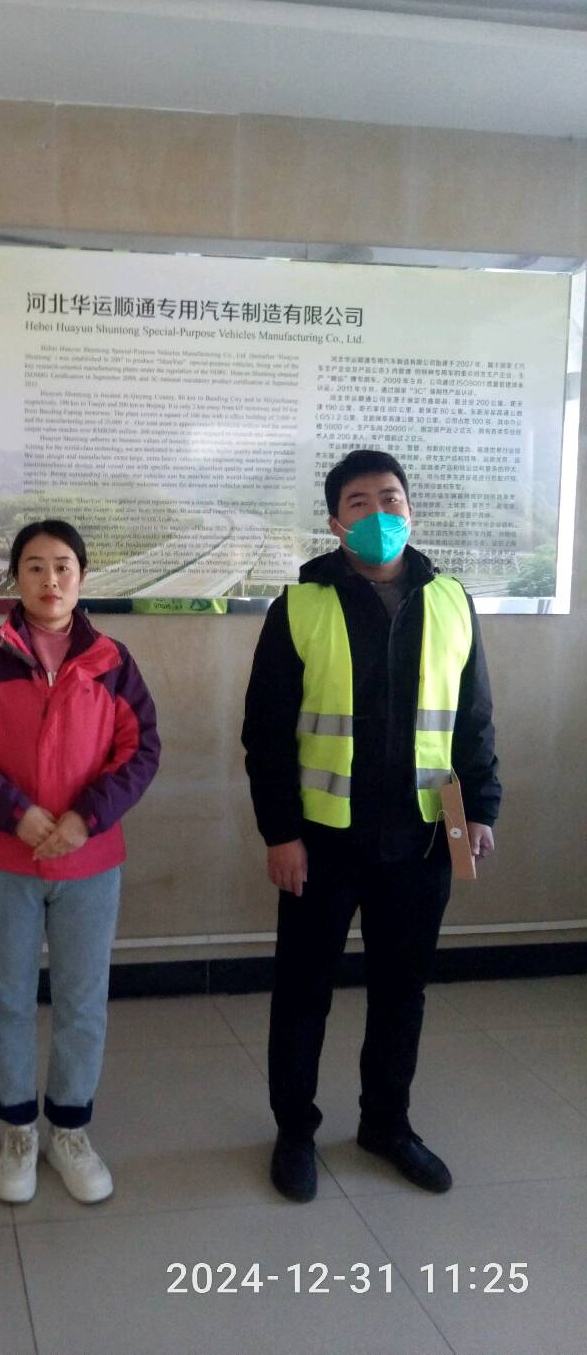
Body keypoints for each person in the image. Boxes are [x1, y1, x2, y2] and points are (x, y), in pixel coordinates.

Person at [242, 449, 500, 1202]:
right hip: (323, 841)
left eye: (391, 498)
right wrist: (280, 833)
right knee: (303, 992)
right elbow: (266, 733)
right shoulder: (300, 606)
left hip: (421, 838)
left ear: (410, 510)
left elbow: (473, 717)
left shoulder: (451, 600)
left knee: (401, 992)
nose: (379, 513)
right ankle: (295, 1130)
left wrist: (481, 809)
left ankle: (386, 1124)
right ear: (335, 522)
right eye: (360, 502)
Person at [0, 521, 160, 1205]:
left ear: (82, 577)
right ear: (17, 578)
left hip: (89, 858)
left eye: (63, 565)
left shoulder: (113, 660)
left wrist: (84, 817)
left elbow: (140, 750)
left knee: (81, 1000)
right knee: (6, 998)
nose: (50, 579)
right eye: (35, 566)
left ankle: (69, 1129)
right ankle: (16, 1131)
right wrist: (18, 813)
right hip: (5, 856)